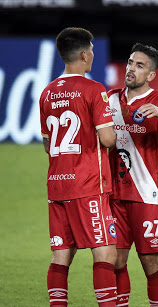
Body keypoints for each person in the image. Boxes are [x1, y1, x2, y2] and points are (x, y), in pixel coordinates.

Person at [108, 43, 158, 307]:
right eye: (130, 62)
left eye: (139, 65)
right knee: (116, 261)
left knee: (150, 262)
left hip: (147, 196)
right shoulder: (109, 98)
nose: (131, 69)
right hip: (113, 195)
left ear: (152, 75)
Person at [40, 27, 118, 306]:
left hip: (57, 185)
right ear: (84, 55)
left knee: (61, 255)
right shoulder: (94, 90)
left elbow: (48, 144)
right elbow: (107, 138)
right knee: (106, 254)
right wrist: (117, 132)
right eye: (92, 50)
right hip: (88, 185)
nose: (93, 55)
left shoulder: (47, 93)